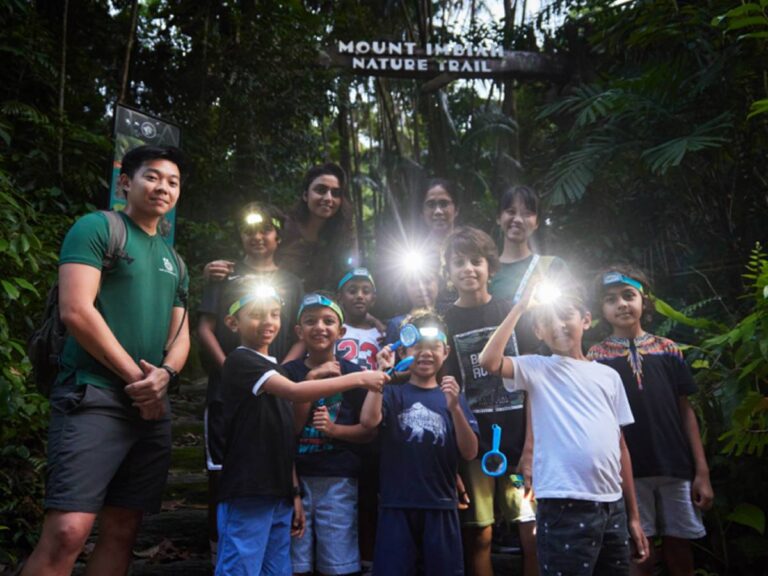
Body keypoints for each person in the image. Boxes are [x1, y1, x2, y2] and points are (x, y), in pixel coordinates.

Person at [22, 145, 190, 576]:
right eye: (152, 177)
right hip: (92, 394)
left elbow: (181, 334)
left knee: (123, 528)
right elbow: (75, 310)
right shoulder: (97, 228)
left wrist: (165, 376)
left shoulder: (175, 261)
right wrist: (141, 381)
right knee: (68, 531)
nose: (163, 187)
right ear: (125, 183)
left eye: (172, 182)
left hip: (150, 407)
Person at [215, 279, 389, 575]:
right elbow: (295, 393)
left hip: (279, 488)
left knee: (277, 568)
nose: (267, 321)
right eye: (256, 314)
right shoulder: (242, 361)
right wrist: (361, 378)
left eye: (273, 313)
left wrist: (293, 493)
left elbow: (286, 436)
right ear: (233, 322)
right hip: (248, 487)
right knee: (241, 567)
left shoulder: (274, 367)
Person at [478, 282, 650, 575]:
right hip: (563, 504)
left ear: (585, 319)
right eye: (547, 320)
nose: (558, 324)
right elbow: (489, 361)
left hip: (613, 506)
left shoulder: (608, 376)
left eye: (566, 315)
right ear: (538, 332)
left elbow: (621, 448)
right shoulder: (537, 368)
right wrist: (520, 308)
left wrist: (634, 516)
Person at [587, 265, 713, 576]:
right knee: (638, 551)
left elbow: (686, 411)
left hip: (675, 466)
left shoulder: (668, 350)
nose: (622, 304)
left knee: (680, 546)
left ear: (645, 301)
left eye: (629, 295)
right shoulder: (595, 357)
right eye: (611, 299)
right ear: (601, 309)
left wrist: (702, 471)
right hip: (627, 472)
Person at [197, 202, 303, 565]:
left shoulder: (291, 281)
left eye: (265, 230)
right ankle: (221, 554)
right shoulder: (224, 276)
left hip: (274, 384)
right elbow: (205, 327)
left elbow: (301, 332)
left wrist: (277, 372)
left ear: (277, 235)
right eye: (249, 231)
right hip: (233, 388)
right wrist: (237, 370)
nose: (257, 237)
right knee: (225, 472)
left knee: (274, 455)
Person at [360, 310, 479, 576]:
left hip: (440, 505)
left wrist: (455, 409)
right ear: (402, 353)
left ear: (446, 351)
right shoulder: (391, 394)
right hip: (396, 504)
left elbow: (470, 452)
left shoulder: (453, 397)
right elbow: (368, 422)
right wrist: (380, 372)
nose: (425, 353)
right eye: (416, 347)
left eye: (434, 347)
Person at [440, 226, 529, 576]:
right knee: (479, 534)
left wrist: (533, 444)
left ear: (490, 266)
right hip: (474, 445)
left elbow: (534, 378)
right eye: (458, 262)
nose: (468, 269)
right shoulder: (445, 321)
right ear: (448, 272)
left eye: (476, 261)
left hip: (520, 439)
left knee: (531, 530)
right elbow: (445, 388)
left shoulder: (513, 311)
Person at [285, 293, 374, 576]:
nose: (319, 327)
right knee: (296, 560)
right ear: (299, 331)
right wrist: (310, 381)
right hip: (296, 477)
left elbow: (368, 432)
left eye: (328, 321)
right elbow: (289, 430)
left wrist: (335, 430)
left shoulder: (354, 374)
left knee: (338, 562)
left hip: (339, 478)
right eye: (310, 321)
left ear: (341, 331)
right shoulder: (288, 374)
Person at [204, 163, 357, 292]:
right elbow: (248, 259)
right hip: (273, 309)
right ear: (305, 195)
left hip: (317, 317)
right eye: (321, 190)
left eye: (335, 193)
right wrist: (214, 270)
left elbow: (348, 281)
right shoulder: (281, 226)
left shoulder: (343, 237)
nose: (328, 198)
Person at [335, 267, 383, 370]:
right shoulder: (331, 329)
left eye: (366, 292)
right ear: (340, 297)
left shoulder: (382, 334)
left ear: (373, 299)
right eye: (352, 291)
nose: (360, 296)